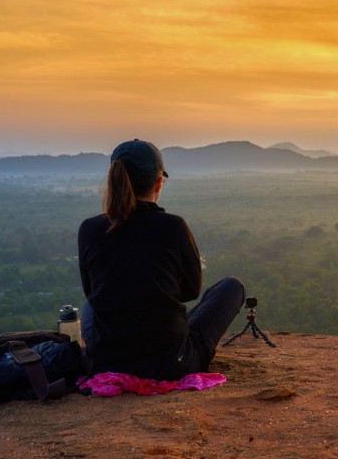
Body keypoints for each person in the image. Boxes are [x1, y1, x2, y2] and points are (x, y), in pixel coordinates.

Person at [78, 139, 244, 380]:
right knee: (232, 287)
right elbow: (191, 291)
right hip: (170, 363)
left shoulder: (89, 229)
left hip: (107, 360)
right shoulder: (173, 226)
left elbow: (92, 291)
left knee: (89, 306)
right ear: (158, 182)